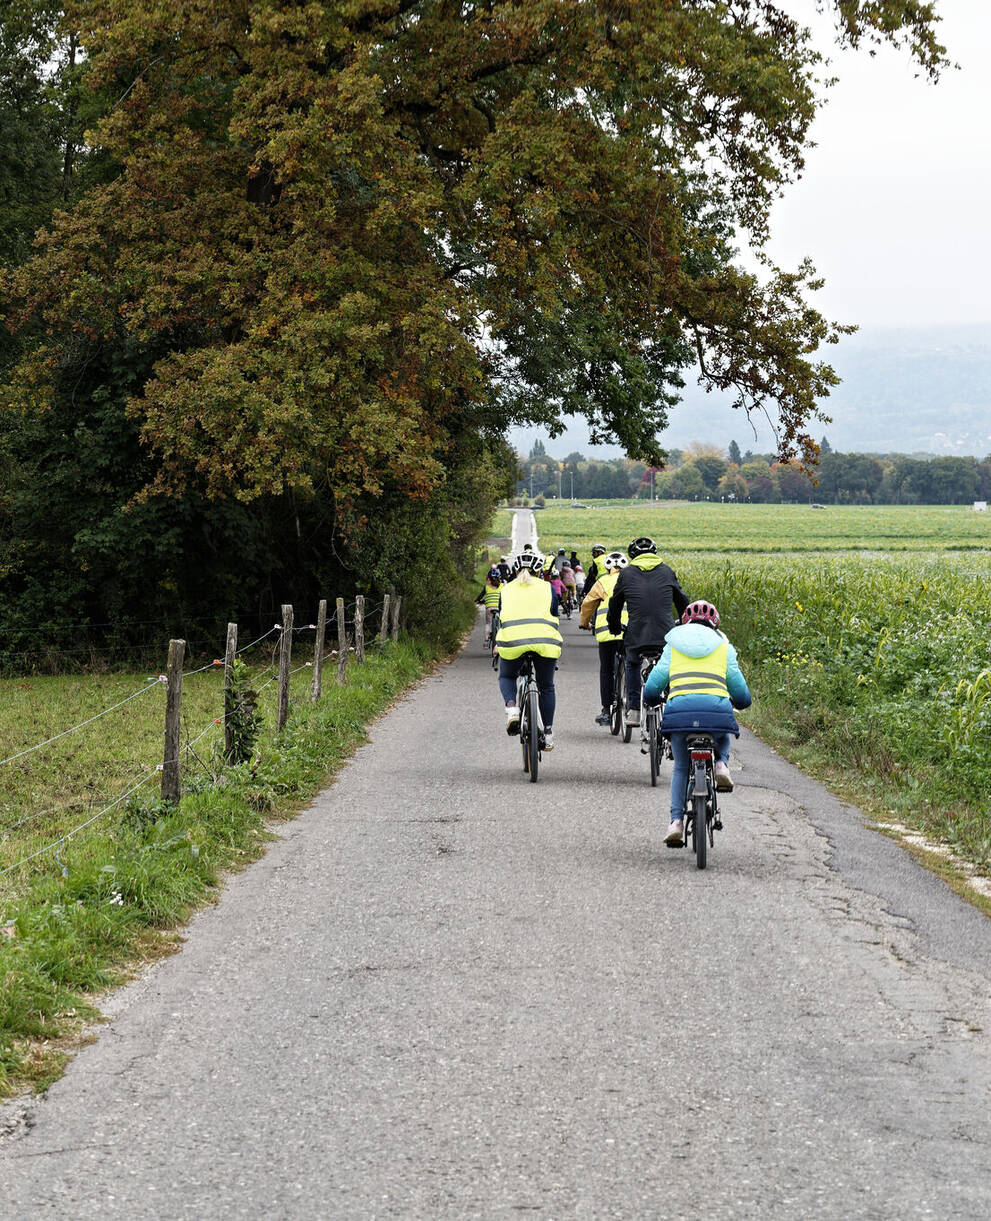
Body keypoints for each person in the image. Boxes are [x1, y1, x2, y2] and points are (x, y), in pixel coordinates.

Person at [642, 600, 751, 846]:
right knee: (722, 729)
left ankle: (676, 822)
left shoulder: (673, 645)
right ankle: (722, 765)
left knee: (681, 767)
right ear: (714, 625)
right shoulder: (724, 647)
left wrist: (651, 697)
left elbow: (654, 684)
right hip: (715, 711)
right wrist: (741, 701)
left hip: (680, 711)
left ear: (684, 623)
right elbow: (740, 692)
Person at [606, 536, 689, 727]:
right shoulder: (667, 571)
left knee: (633, 663)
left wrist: (614, 626)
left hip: (637, 634)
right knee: (667, 664)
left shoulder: (626, 574)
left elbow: (615, 604)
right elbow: (683, 601)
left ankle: (634, 710)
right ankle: (671, 705)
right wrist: (686, 623)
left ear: (633, 555)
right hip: (666, 633)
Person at [495, 551, 562, 751]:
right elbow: (554, 613)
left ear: (515, 570)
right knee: (547, 686)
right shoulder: (547, 588)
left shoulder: (505, 589)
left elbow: (501, 616)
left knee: (507, 676)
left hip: (513, 642)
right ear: (539, 570)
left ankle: (513, 709)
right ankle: (548, 733)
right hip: (544, 642)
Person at [579, 550, 629, 725]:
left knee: (607, 670)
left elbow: (588, 604)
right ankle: (632, 704)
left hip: (607, 632)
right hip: (629, 632)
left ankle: (606, 711)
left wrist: (584, 623)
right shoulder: (632, 581)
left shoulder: (603, 581)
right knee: (632, 665)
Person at [475, 566, 502, 644]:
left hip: (489, 608)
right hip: (499, 607)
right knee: (502, 622)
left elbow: (480, 596)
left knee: (488, 623)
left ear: (488, 579)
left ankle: (486, 641)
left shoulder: (486, 587)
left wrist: (477, 601)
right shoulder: (502, 586)